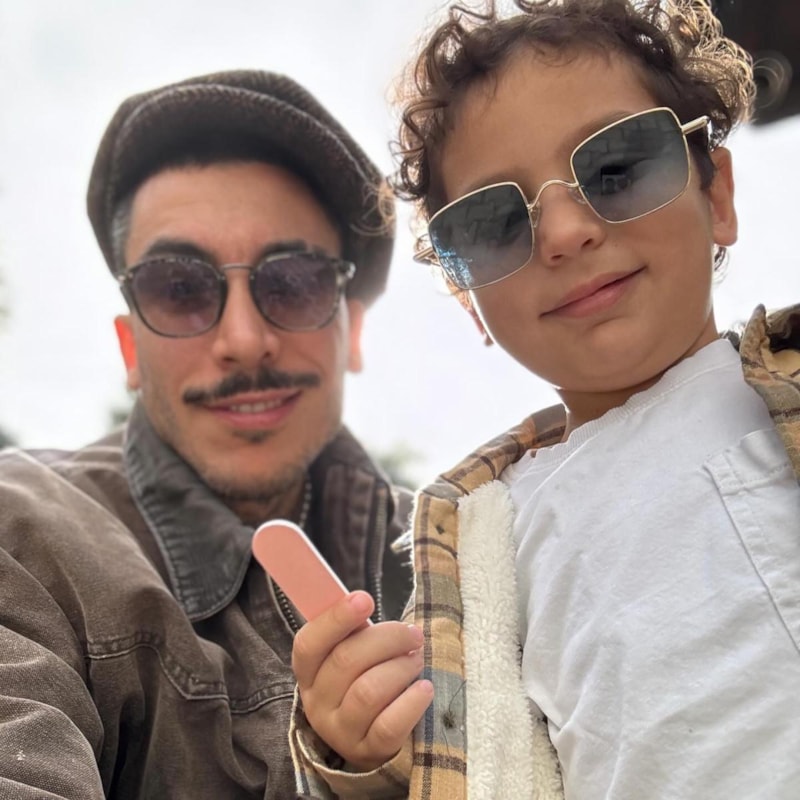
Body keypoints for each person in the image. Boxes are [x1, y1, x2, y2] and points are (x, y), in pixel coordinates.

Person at [289, 1, 800, 798]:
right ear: (469, 301)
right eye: (493, 222)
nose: (564, 233)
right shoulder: (486, 544)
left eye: (616, 168)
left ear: (719, 197)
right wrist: (365, 752)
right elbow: (463, 765)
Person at [0, 70, 413, 799]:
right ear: (130, 349)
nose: (244, 340)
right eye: (179, 288)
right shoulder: (20, 537)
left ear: (351, 329)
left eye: (293, 282)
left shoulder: (469, 556)